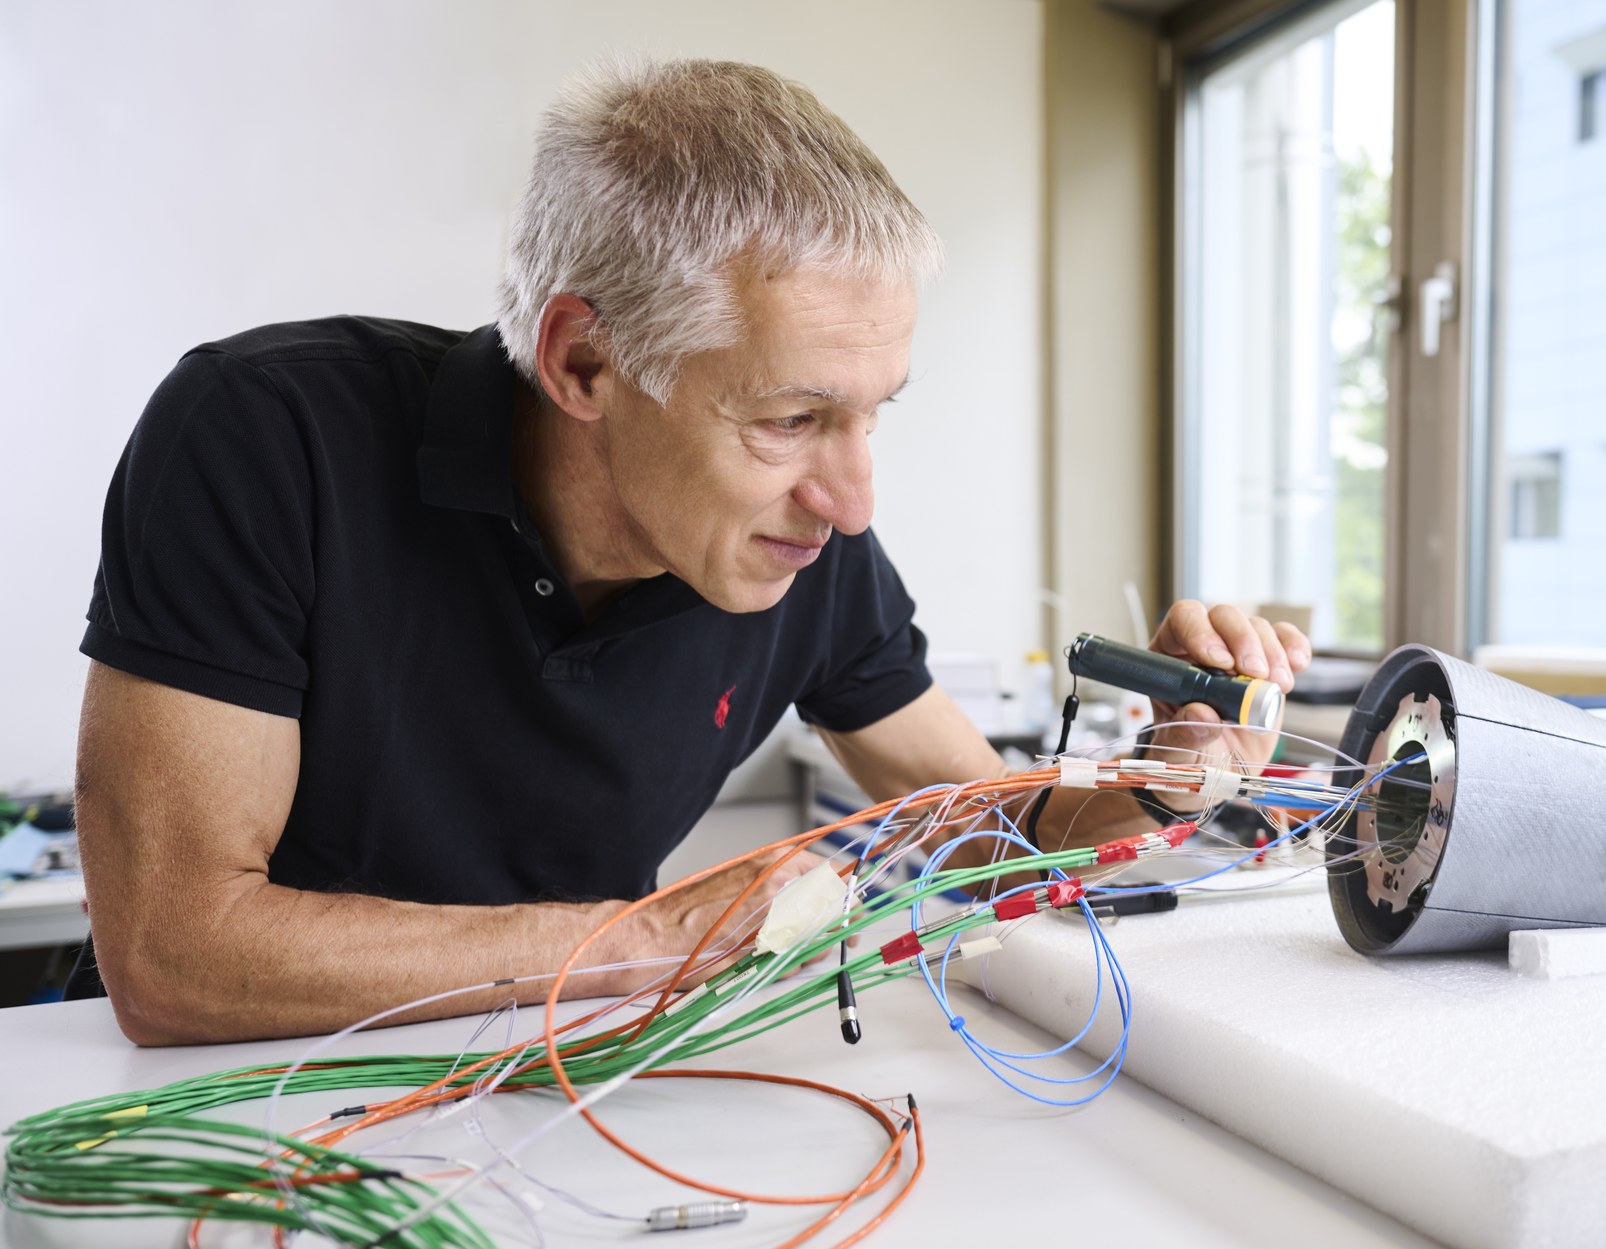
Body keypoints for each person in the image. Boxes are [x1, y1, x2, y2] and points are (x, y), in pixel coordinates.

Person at [70, 58, 1310, 1046]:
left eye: (873, 412)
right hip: (217, 1105)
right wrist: (645, 941)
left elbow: (985, 834)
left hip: (553, 1087)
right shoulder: (265, 434)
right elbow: (177, 956)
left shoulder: (802, 547)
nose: (851, 500)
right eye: (790, 419)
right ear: (583, 364)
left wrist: (1158, 777)